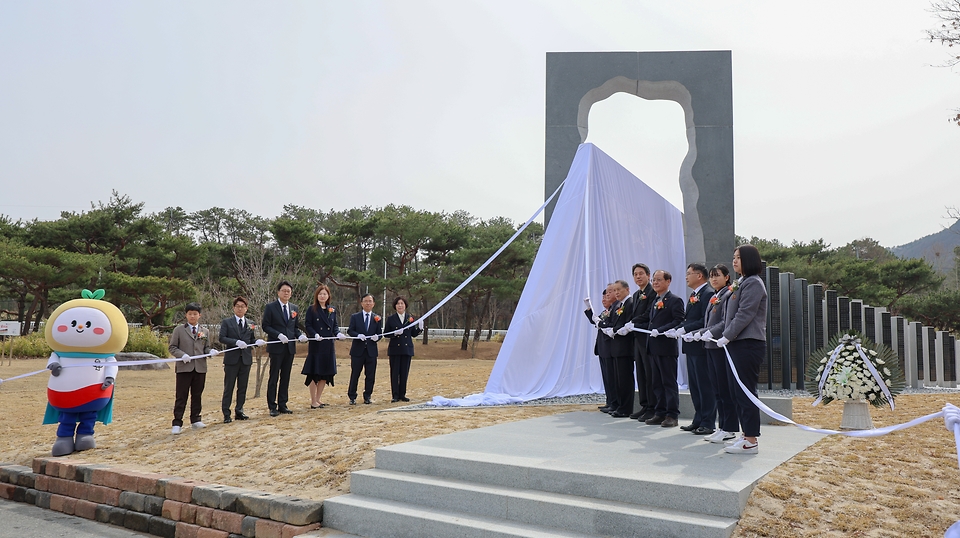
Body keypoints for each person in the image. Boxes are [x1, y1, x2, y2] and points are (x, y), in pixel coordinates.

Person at [717, 245, 768, 455]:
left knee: (745, 391)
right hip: (737, 343)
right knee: (736, 391)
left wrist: (727, 335)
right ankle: (745, 435)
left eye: (738, 258)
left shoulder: (754, 283)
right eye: (733, 257)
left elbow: (745, 314)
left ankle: (751, 440)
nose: (734, 261)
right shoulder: (741, 282)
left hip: (748, 343)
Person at [690, 264, 740, 444]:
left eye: (717, 275)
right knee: (718, 390)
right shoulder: (715, 296)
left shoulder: (728, 294)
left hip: (720, 346)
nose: (713, 279)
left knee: (725, 390)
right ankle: (723, 427)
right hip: (710, 346)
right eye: (711, 276)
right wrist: (700, 332)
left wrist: (709, 332)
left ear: (727, 277)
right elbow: (709, 321)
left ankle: (730, 428)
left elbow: (725, 322)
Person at [670, 263, 715, 435]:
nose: (686, 276)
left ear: (700, 276)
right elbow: (688, 318)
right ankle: (698, 419)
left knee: (705, 386)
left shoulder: (708, 294)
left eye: (689, 273)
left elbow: (705, 320)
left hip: (701, 345)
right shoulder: (694, 294)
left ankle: (709, 422)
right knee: (695, 386)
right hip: (690, 346)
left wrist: (686, 329)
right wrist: (677, 328)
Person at [643, 270, 686, 428]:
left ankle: (672, 415)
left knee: (668, 382)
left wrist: (661, 330)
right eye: (654, 280)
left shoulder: (675, 300)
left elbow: (679, 320)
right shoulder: (655, 300)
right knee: (657, 383)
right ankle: (659, 412)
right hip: (653, 347)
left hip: (666, 348)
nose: (655, 282)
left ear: (668, 281)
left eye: (659, 280)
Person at [261, 280, 308, 416]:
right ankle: (272, 406)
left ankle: (283, 404)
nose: (286, 293)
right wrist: (278, 335)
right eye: (284, 290)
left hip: (290, 348)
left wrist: (300, 335)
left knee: (286, 377)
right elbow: (266, 326)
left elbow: (294, 327)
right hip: (276, 347)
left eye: (288, 291)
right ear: (278, 292)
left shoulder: (294, 308)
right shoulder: (270, 307)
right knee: (274, 377)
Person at [168, 302, 215, 434]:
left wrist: (210, 352)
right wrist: (182, 355)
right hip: (184, 368)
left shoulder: (205, 331)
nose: (192, 316)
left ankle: (196, 419)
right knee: (181, 396)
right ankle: (177, 422)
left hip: (200, 368)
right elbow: (172, 347)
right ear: (186, 315)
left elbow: (206, 347)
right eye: (190, 314)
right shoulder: (179, 330)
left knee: (197, 395)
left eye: (195, 314)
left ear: (199, 315)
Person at [218, 296, 262, 423]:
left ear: (246, 308)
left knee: (242, 387)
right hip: (232, 360)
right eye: (237, 306)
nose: (240, 308)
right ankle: (226, 413)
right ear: (233, 308)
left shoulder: (250, 323)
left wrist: (256, 342)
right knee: (229, 387)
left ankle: (239, 410)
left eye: (242, 306)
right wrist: (235, 342)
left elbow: (251, 339)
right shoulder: (227, 322)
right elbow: (222, 338)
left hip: (246, 360)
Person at [302, 284, 345, 408]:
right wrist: (314, 334)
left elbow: (334, 326)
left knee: (325, 373)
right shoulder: (312, 309)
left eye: (325, 294)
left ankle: (318, 399)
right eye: (320, 294)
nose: (322, 296)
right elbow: (308, 324)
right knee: (314, 372)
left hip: (328, 345)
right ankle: (313, 400)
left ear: (328, 296)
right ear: (317, 295)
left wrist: (338, 334)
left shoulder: (332, 310)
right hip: (316, 345)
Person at [628, 263, 656, 420]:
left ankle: (652, 407)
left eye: (641, 273)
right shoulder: (636, 295)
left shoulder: (652, 293)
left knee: (649, 373)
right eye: (635, 274)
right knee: (641, 373)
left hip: (647, 338)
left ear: (648, 275)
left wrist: (633, 323)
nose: (638, 277)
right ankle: (644, 405)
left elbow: (647, 314)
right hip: (637, 339)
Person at [605, 280, 636, 418]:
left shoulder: (630, 303)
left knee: (625, 379)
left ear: (627, 290)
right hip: (617, 347)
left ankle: (626, 407)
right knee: (619, 379)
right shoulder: (620, 304)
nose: (616, 293)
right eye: (615, 290)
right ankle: (620, 405)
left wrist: (614, 329)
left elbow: (626, 323)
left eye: (619, 290)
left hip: (625, 347)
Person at [385, 296, 424, 402]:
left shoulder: (409, 318)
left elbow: (414, 334)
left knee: (404, 373)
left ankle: (402, 394)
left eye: (402, 303)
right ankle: (395, 395)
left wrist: (420, 328)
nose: (400, 305)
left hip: (407, 349)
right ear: (395, 306)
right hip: (395, 350)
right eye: (398, 304)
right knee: (395, 373)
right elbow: (386, 334)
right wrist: (394, 333)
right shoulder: (391, 318)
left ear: (405, 305)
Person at [584, 287, 617, 413]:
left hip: (610, 348)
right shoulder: (605, 312)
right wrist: (589, 309)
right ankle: (609, 401)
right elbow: (596, 322)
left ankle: (614, 402)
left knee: (612, 377)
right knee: (606, 378)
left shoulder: (614, 310)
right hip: (602, 348)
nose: (604, 299)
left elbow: (605, 324)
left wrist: (598, 320)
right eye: (603, 297)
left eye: (607, 295)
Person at [347, 293, 382, 405]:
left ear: (373, 304)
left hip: (371, 351)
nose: (368, 303)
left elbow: (380, 334)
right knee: (355, 374)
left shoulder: (377, 318)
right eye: (365, 301)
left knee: (370, 375)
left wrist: (377, 337)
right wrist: (357, 335)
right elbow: (350, 331)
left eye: (370, 301)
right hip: (358, 351)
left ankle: (367, 396)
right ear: (361, 303)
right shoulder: (355, 317)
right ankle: (352, 396)